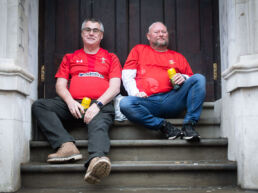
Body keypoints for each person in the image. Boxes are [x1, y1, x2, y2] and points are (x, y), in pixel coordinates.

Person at [32, 18, 122, 184]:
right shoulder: (70, 57)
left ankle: (97, 160)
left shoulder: (110, 57)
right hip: (74, 105)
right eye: (87, 29)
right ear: (82, 34)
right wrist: (70, 101)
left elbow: (115, 87)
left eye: (95, 30)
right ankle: (66, 146)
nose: (91, 33)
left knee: (99, 124)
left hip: (99, 105)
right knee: (40, 105)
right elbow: (60, 85)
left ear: (101, 35)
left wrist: (98, 105)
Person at [120, 21, 206, 141]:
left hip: (172, 100)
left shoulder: (177, 57)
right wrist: (135, 93)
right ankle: (164, 126)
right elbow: (127, 75)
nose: (161, 34)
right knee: (125, 103)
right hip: (147, 101)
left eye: (164, 32)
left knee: (199, 78)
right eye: (156, 32)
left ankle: (189, 125)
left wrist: (184, 78)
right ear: (148, 36)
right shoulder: (139, 50)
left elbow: (193, 81)